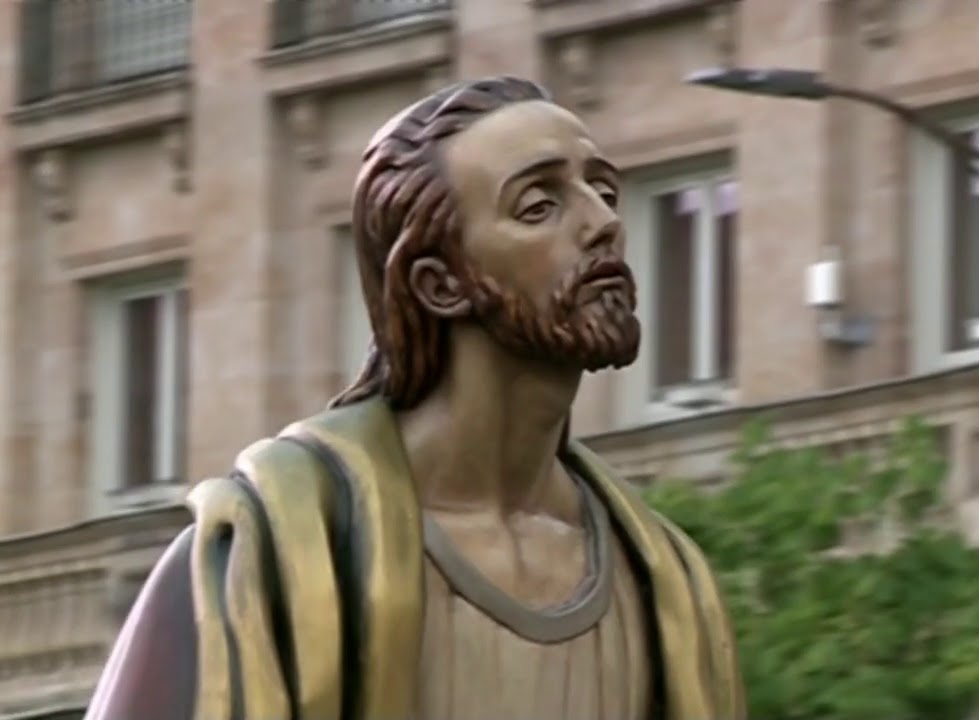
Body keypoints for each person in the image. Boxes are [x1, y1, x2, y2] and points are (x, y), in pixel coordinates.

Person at [84, 76, 744, 720]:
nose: (603, 223)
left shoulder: (663, 583)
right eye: (539, 205)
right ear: (439, 284)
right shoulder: (272, 554)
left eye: (604, 191)